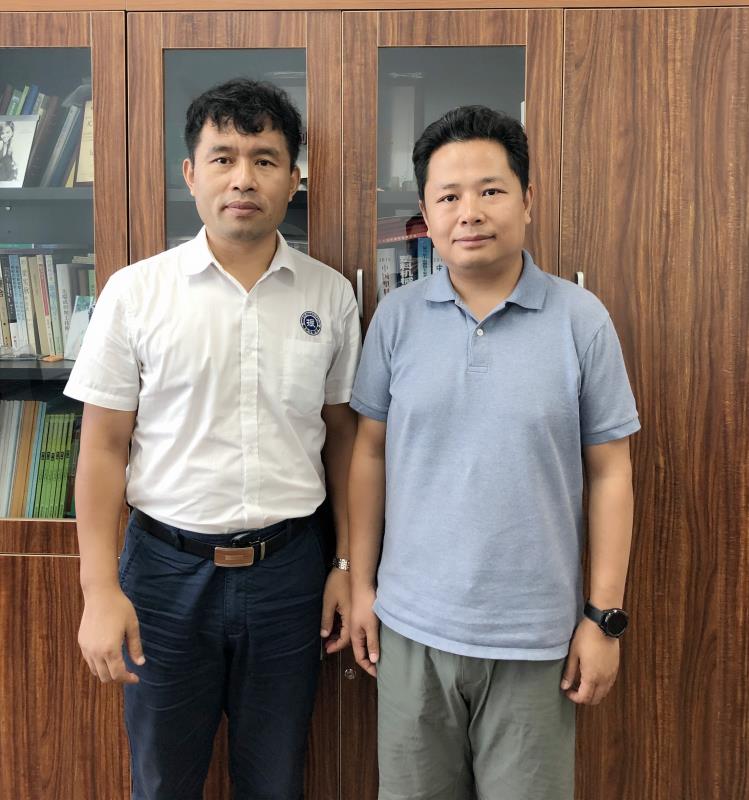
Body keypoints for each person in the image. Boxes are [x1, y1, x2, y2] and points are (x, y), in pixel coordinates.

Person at [64, 78, 360, 800]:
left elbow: (345, 442)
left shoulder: (329, 295)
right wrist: (99, 590)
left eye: (265, 159)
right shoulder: (136, 292)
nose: (243, 179)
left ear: (294, 178)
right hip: (164, 575)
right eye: (223, 157)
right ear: (190, 174)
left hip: (289, 573)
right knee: (163, 781)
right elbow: (101, 449)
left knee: (276, 780)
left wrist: (348, 565)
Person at [348, 105, 640, 800]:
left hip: (535, 640)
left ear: (526, 200)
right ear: (425, 215)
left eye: (490, 190)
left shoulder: (581, 320)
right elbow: (368, 454)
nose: (469, 212)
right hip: (410, 631)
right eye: (448, 196)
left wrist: (603, 619)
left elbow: (610, 472)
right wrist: (358, 585)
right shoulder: (396, 318)